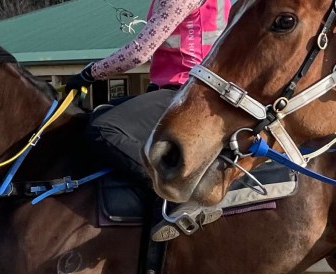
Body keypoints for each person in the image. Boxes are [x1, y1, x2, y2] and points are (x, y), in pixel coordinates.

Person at [64, 0, 232, 242]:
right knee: (99, 113)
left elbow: (139, 52)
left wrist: (90, 73)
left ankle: (180, 196)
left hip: (187, 92)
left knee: (103, 128)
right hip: (195, 90)